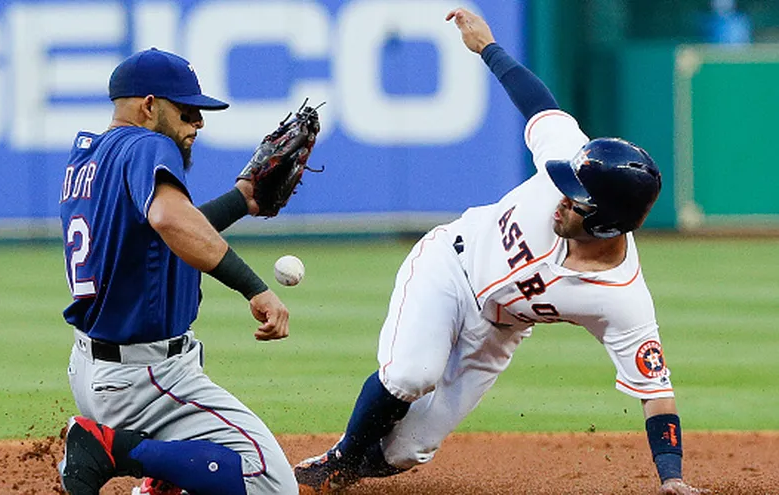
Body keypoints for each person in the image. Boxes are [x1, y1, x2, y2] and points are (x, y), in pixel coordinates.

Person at [294, 8, 707, 495]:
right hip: (449, 266)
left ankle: (354, 466)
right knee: (411, 374)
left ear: (606, 224)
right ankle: (337, 463)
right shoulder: (567, 154)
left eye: (576, 201)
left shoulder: (621, 298)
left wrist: (672, 477)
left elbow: (657, 394)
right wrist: (488, 47)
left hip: (495, 331)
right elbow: (538, 103)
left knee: (406, 452)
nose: (561, 199)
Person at [56, 47, 298, 495]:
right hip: (146, 379)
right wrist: (254, 288)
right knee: (271, 484)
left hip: (96, 369)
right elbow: (170, 219)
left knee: (207, 467)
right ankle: (112, 449)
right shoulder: (149, 144)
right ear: (149, 106)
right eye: (187, 111)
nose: (198, 123)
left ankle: (161, 479)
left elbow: (159, 235)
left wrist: (242, 200)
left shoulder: (91, 155)